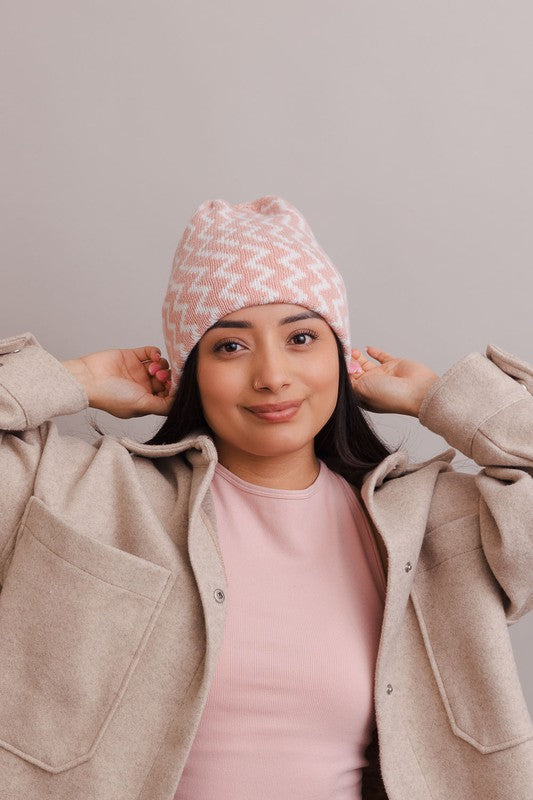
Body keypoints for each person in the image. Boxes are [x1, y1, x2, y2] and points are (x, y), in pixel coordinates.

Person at [0, 195, 531, 800]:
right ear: (189, 368)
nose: (272, 375)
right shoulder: (79, 496)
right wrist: (76, 380)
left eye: (302, 337)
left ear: (342, 356)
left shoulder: (439, 525)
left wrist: (449, 399)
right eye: (230, 346)